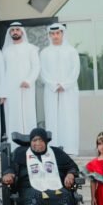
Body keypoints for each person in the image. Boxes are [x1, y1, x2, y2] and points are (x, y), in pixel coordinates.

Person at [40, 23, 80, 155]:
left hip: (68, 90)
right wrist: (53, 85)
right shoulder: (44, 52)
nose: (55, 36)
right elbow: (42, 72)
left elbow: (75, 70)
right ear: (49, 35)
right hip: (51, 90)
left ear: (62, 34)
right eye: (52, 34)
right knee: (52, 118)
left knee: (68, 118)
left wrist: (65, 85)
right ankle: (53, 148)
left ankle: (69, 148)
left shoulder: (71, 51)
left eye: (58, 33)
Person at [1, 22, 39, 138]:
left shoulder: (31, 48)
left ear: (22, 32)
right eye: (12, 30)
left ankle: (30, 142)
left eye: (17, 30)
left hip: (26, 88)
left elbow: (36, 67)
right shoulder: (5, 51)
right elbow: (2, 72)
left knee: (27, 114)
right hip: (10, 90)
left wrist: (28, 80)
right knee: (12, 115)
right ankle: (13, 145)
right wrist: (2, 92)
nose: (15, 32)